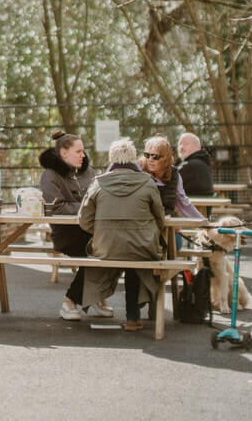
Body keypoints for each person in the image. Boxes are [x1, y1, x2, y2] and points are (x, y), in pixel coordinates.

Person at [78, 138, 166, 331]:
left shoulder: (97, 184)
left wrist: (105, 231)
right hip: (141, 247)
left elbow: (84, 221)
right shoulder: (148, 182)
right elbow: (160, 220)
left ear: (111, 158)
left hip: (106, 247)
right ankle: (133, 318)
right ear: (134, 158)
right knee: (135, 258)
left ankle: (77, 302)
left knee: (118, 252)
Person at [38, 130, 112, 321]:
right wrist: (89, 207)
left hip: (90, 229)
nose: (83, 155)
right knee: (100, 249)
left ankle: (94, 295)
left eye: (83, 151)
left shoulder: (89, 172)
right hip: (66, 232)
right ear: (64, 153)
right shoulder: (50, 176)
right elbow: (57, 207)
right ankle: (70, 301)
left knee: (115, 245)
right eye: (79, 151)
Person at [141, 136, 204, 219]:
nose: (150, 159)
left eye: (155, 156)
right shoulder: (139, 171)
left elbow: (183, 203)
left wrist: (203, 222)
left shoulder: (174, 175)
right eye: (147, 155)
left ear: (165, 158)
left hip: (167, 222)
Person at [177, 132, 215, 197]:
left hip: (194, 205)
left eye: (186, 144)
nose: (181, 147)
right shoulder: (202, 162)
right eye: (179, 144)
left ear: (197, 146)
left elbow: (169, 181)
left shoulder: (191, 165)